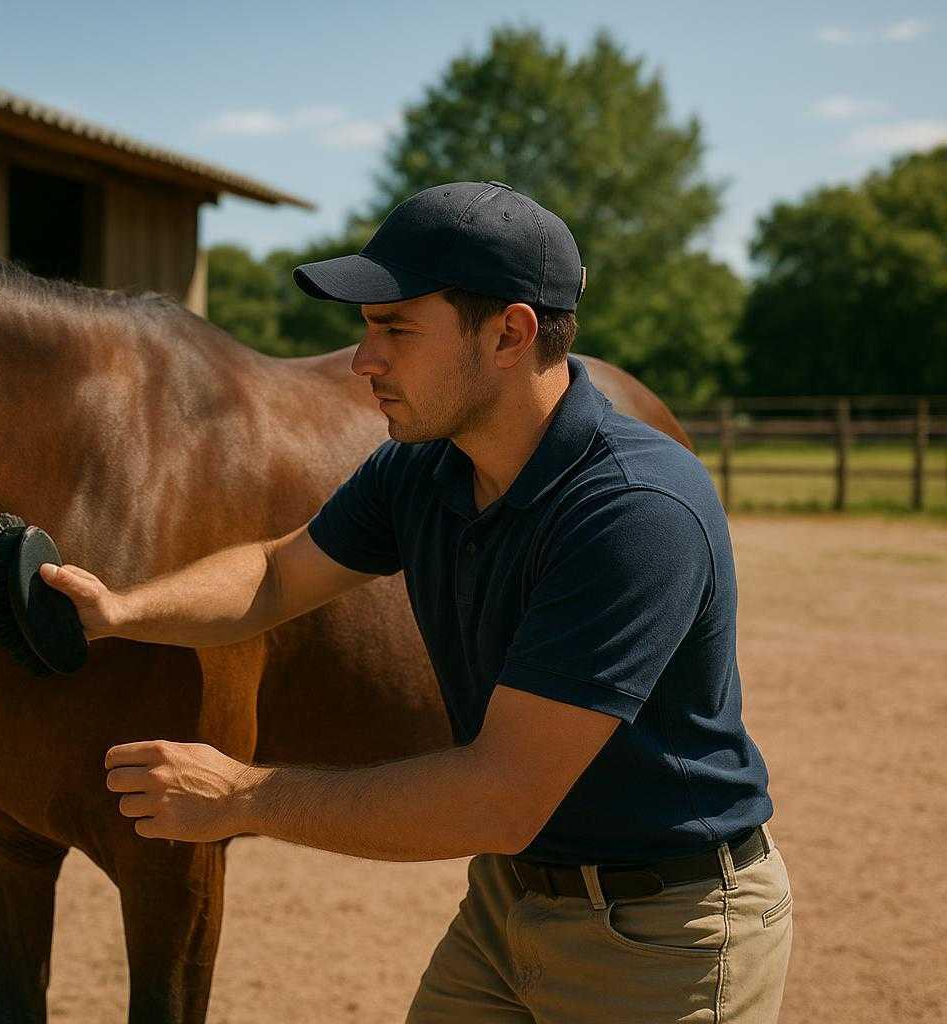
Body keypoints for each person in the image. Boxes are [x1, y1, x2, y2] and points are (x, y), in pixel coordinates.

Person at [40, 181, 793, 1022]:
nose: (364, 360)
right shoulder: (427, 466)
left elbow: (500, 796)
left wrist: (242, 798)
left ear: (509, 333)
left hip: (663, 932)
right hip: (509, 907)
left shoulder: (633, 510)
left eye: (395, 328)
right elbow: (278, 575)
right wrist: (120, 609)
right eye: (367, 330)